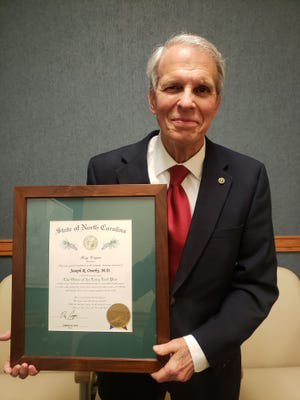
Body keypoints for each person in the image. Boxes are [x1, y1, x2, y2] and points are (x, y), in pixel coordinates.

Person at [3, 33, 278, 399]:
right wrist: (40, 336)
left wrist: (196, 350)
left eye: (202, 89)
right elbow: (90, 269)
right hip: (123, 367)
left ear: (217, 101)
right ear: (152, 98)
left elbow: (256, 286)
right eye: (173, 87)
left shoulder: (248, 177)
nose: (186, 102)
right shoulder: (105, 169)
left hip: (209, 373)